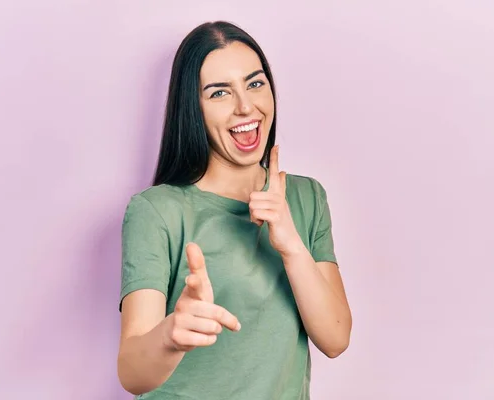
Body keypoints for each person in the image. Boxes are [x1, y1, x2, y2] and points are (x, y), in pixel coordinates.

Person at [117, 20, 352, 399]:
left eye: (255, 83)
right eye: (219, 93)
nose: (246, 106)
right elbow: (131, 372)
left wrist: (291, 244)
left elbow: (336, 337)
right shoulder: (156, 211)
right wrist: (171, 335)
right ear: (192, 109)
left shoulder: (307, 198)